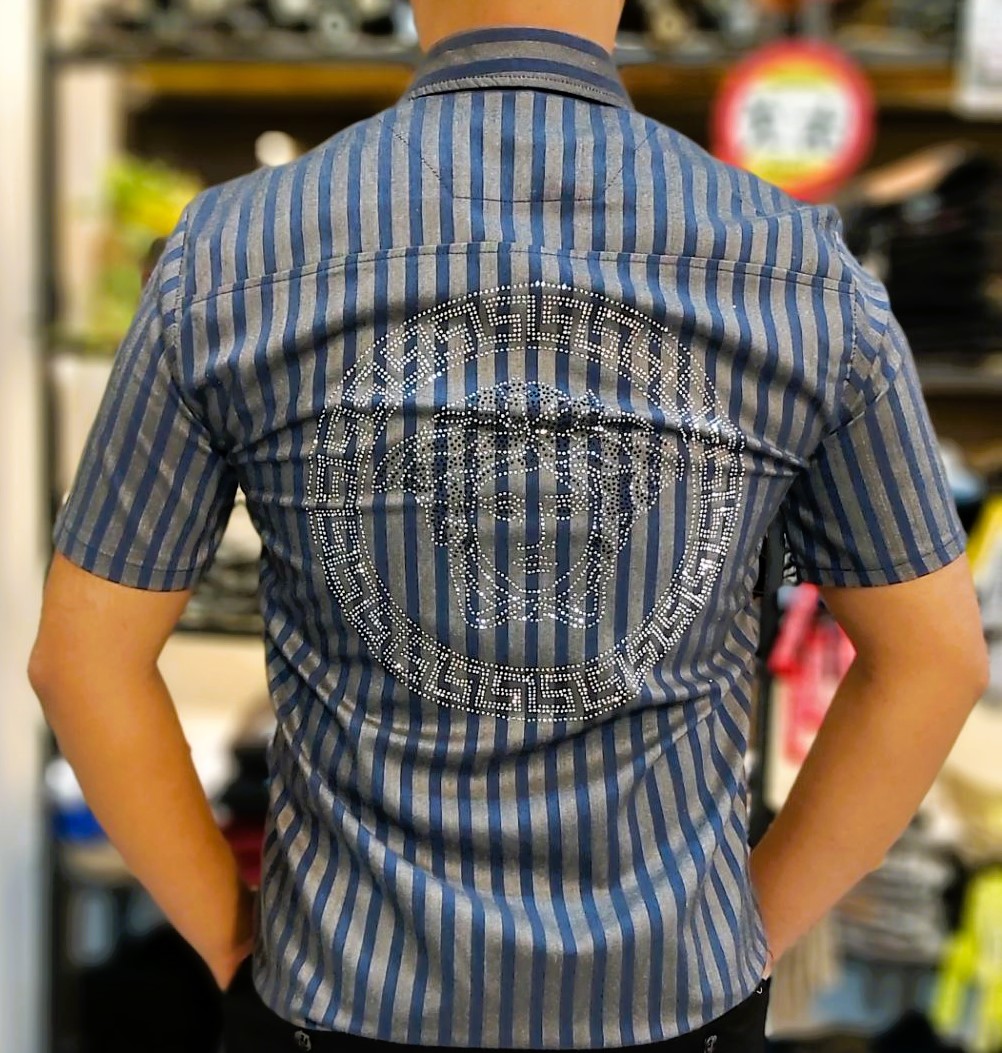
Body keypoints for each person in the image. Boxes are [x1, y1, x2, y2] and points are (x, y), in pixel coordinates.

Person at [29, 1, 989, 1050]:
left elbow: (84, 663)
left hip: (341, 996)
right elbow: (934, 661)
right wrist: (747, 935)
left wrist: (232, 943)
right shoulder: (800, 273)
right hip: (672, 1001)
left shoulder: (230, 256)